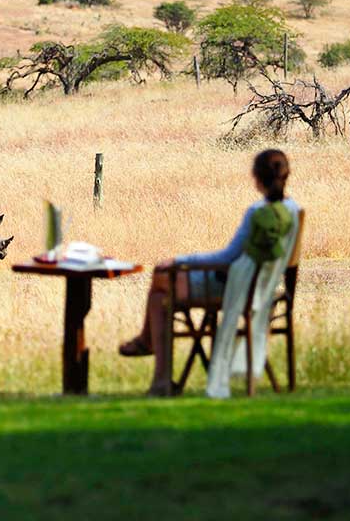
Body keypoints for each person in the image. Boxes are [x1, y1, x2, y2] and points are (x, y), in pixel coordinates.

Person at [119, 149, 295, 396]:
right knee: (159, 295)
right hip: (264, 288)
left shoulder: (258, 213)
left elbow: (227, 258)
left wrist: (180, 260)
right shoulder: (292, 211)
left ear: (256, 178)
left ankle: (155, 363)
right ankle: (151, 358)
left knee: (161, 277)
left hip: (234, 287)